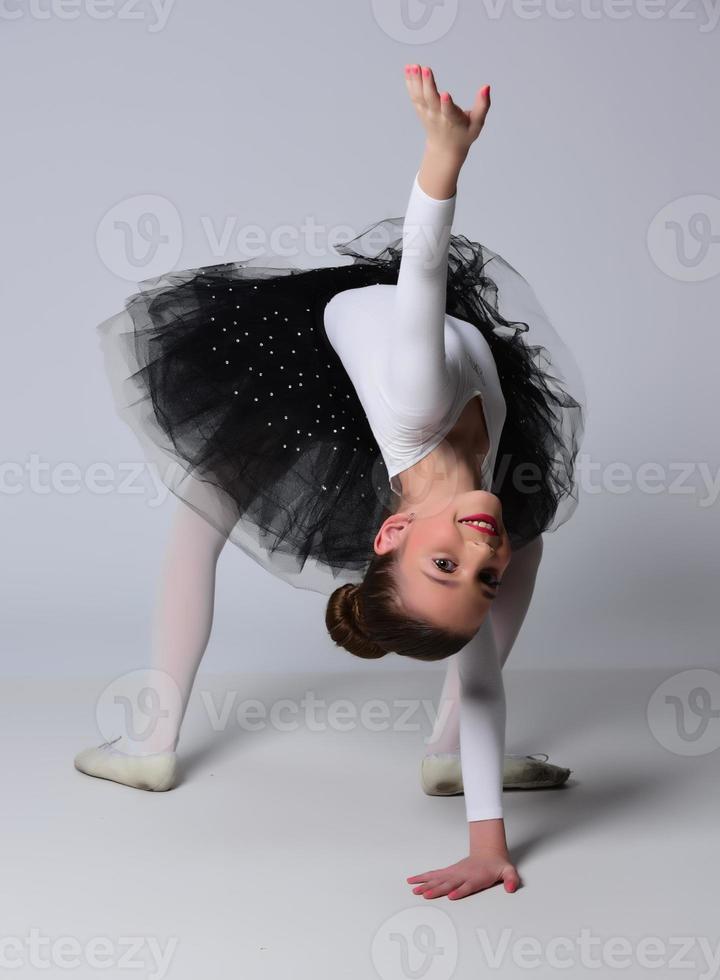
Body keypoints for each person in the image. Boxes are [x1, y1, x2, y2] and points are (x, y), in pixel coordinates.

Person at [74, 65, 584, 900]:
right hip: (380, 367)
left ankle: (160, 744)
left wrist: (442, 156)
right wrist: (488, 845)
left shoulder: (416, 393)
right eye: (475, 578)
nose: (478, 552)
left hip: (348, 342)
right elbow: (483, 671)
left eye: (444, 565)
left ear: (391, 534)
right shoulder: (469, 511)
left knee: (206, 507)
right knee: (525, 538)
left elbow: (421, 274)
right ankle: (432, 759)